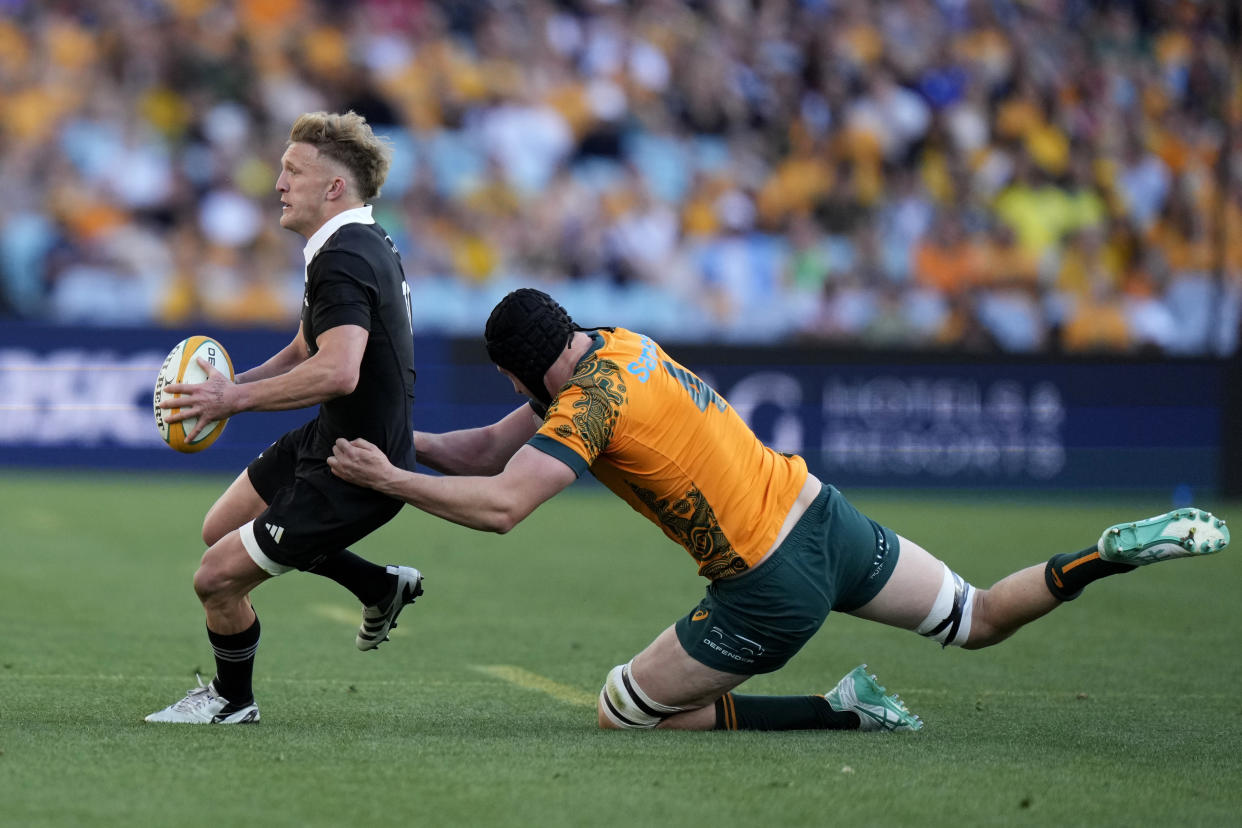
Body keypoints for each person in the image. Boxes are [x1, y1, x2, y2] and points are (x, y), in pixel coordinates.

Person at [327, 288, 1230, 732]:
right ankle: (1105, 554)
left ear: (517, 369)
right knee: (979, 617)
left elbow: (501, 507)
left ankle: (843, 713)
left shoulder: (591, 407)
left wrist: (391, 482)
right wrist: (397, 445)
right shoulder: (616, 346)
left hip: (767, 584)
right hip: (822, 515)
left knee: (621, 712)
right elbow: (485, 451)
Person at [146, 111, 424, 724]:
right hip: (333, 438)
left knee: (215, 579)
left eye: (293, 171)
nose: (278, 183)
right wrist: (229, 385)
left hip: (357, 467)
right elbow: (306, 349)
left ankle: (231, 701)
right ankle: (377, 586)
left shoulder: (344, 255)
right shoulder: (353, 241)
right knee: (221, 528)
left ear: (333, 188)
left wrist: (233, 403)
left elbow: (339, 371)